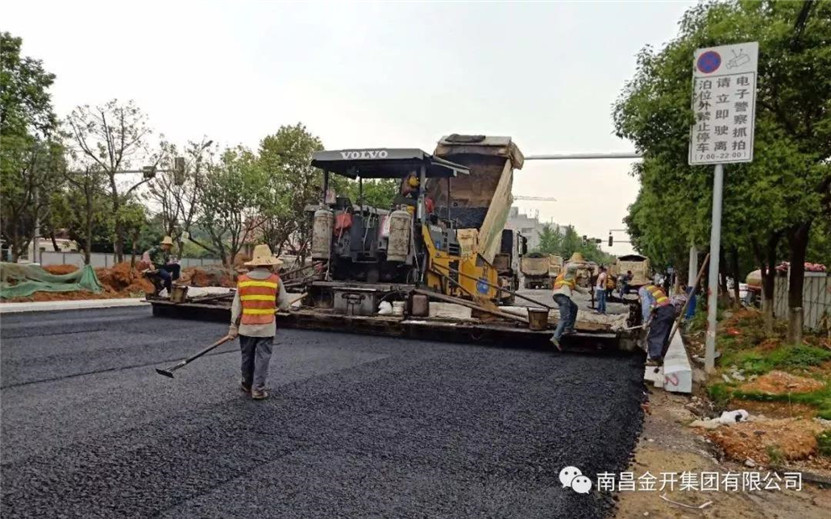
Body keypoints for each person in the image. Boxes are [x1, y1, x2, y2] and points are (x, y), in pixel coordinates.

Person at [228, 244, 291, 400]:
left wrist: (233, 327)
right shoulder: (275, 281)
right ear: (269, 262)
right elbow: (284, 305)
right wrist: (284, 308)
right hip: (266, 328)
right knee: (262, 358)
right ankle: (258, 390)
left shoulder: (242, 281)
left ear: (255, 262)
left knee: (247, 356)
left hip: (246, 327)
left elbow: (236, 308)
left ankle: (246, 384)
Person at [551, 253, 589, 349]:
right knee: (564, 317)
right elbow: (574, 266)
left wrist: (587, 292)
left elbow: (575, 287)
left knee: (574, 307)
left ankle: (569, 328)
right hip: (562, 295)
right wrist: (586, 267)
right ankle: (556, 337)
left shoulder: (569, 275)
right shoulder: (569, 267)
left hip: (559, 295)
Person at [638, 283, 675, 366]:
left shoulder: (642, 290)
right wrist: (650, 320)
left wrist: (645, 321)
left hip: (663, 311)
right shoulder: (653, 289)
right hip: (670, 310)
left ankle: (655, 358)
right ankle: (659, 356)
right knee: (662, 335)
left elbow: (646, 306)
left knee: (654, 336)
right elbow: (653, 306)